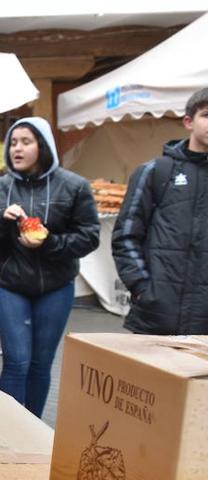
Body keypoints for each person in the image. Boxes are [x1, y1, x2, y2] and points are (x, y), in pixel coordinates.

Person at [0, 116, 99, 416]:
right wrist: (0, 221)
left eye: (26, 142)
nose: (17, 148)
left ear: (42, 146)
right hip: (11, 286)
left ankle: (34, 428)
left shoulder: (74, 186)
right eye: (13, 143)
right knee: (16, 362)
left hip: (56, 287)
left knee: (41, 364)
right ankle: (9, 433)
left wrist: (49, 242)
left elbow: (89, 237)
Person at [112, 87, 208, 335]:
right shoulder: (155, 171)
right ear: (188, 121)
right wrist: (142, 288)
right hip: (157, 313)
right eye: (206, 115)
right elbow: (125, 235)